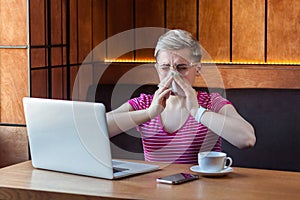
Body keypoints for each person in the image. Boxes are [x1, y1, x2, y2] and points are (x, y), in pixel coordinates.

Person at [106, 29, 256, 164]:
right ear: (157, 69)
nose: (173, 75)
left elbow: (246, 139)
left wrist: (198, 112)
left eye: (181, 68)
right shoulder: (144, 103)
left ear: (197, 69)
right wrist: (149, 113)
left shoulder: (212, 103)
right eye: (165, 68)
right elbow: (98, 127)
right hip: (154, 192)